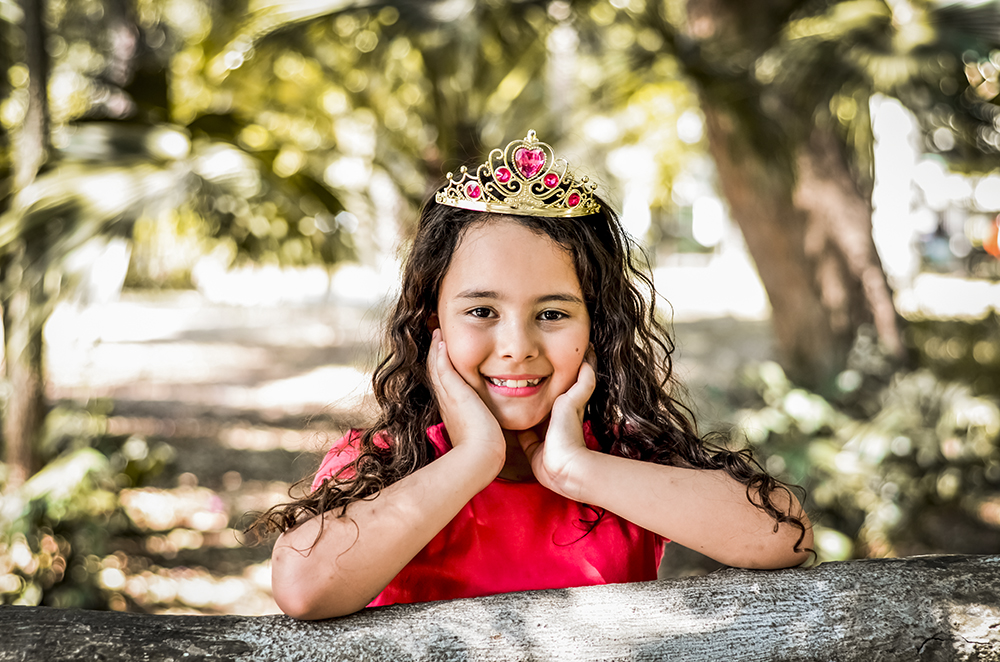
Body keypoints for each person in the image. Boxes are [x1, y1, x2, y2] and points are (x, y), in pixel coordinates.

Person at [252, 130, 813, 620]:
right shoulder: (383, 464)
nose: (517, 348)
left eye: (552, 314)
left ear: (597, 326)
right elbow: (302, 590)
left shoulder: (623, 459)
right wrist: (473, 459)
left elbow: (785, 535)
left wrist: (574, 469)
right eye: (481, 312)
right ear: (433, 326)